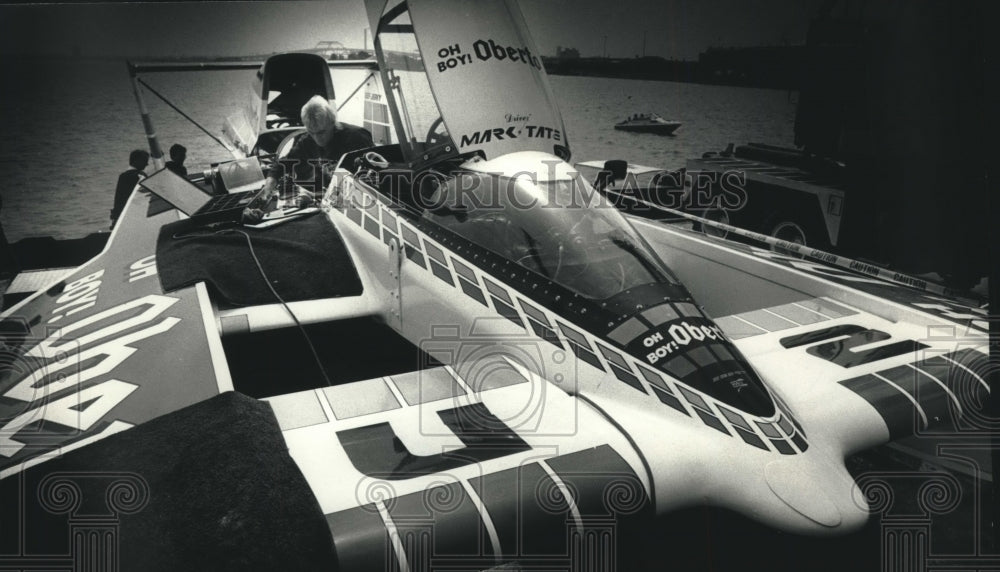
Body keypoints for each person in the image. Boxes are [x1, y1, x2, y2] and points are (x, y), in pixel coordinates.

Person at [265, 95, 373, 196]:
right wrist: (271, 179)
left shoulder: (357, 137)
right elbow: (285, 162)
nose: (317, 138)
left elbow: (375, 172)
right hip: (330, 196)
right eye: (312, 132)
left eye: (321, 132)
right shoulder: (307, 141)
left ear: (332, 123)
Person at [110, 149, 149, 229]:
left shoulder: (123, 176)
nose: (147, 164)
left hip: (121, 215)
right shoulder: (139, 176)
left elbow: (119, 199)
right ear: (137, 160)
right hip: (135, 216)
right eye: (145, 161)